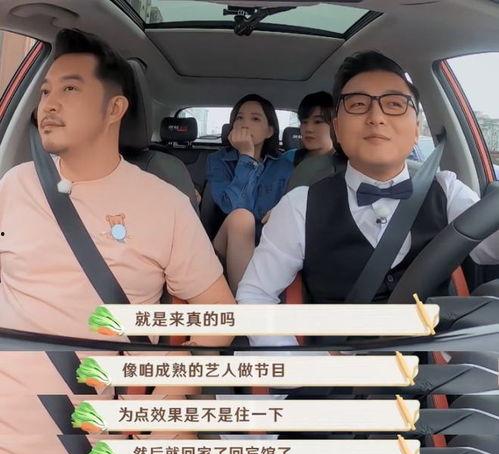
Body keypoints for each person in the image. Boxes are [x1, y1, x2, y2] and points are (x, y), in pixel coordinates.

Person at [0, 28, 235, 339]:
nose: (49, 104)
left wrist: (175, 372)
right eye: (45, 92)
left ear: (114, 109)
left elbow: (219, 314)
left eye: (69, 88)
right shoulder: (15, 184)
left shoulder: (167, 205)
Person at [237, 50, 499, 308]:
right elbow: (255, 296)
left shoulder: (447, 191)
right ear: (337, 128)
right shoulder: (299, 207)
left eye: (394, 104)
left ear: (417, 129)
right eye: (358, 105)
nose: (376, 118)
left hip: (438, 338)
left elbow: (493, 246)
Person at [206, 94, 293, 293]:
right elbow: (233, 207)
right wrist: (247, 157)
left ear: (270, 130)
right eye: (239, 118)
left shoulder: (285, 166)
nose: (245, 124)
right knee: (241, 218)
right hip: (224, 247)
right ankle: (246, 305)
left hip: (268, 248)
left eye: (255, 118)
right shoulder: (217, 161)